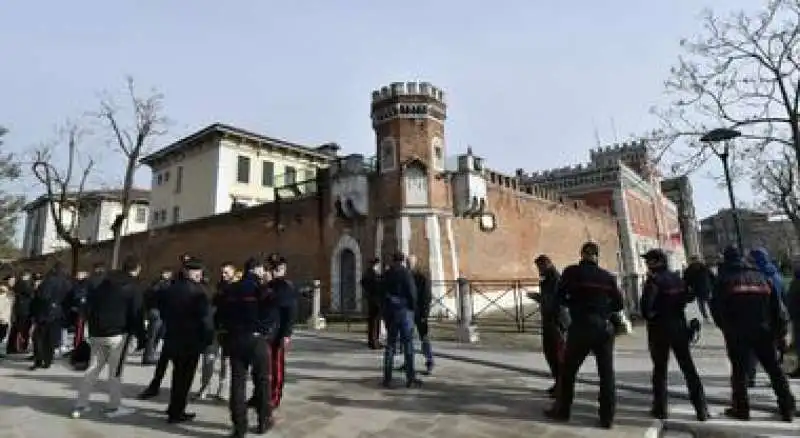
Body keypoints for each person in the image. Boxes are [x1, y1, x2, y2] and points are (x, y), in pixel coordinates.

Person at [545, 242, 623, 429]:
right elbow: (619, 304)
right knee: (606, 374)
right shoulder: (607, 276)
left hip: (581, 326)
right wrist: (603, 310)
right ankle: (607, 418)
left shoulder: (571, 272)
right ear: (597, 256)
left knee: (569, 371)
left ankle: (563, 411)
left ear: (582, 255)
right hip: (604, 328)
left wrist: (570, 308)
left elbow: (559, 298)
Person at [711, 246, 795, 422]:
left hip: (737, 333)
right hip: (763, 331)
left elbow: (716, 310)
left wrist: (727, 328)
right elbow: (778, 310)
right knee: (774, 370)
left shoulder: (724, 279)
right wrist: (779, 333)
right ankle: (787, 408)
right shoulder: (762, 278)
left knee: (740, 373)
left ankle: (742, 409)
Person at [71, 255, 144, 419]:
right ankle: (114, 406)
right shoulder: (133, 287)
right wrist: (141, 337)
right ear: (137, 269)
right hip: (118, 334)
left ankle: (81, 405)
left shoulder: (102, 283)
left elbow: (89, 305)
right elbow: (136, 314)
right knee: (115, 372)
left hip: (97, 332)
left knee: (92, 369)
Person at [639, 249, 709, 421]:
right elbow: (688, 298)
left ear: (656, 262)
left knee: (660, 370)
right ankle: (701, 409)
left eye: (649, 261)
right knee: (689, 369)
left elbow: (645, 309)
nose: (646, 264)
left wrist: (653, 314)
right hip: (679, 326)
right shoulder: (677, 279)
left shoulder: (654, 281)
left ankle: (660, 408)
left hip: (659, 330)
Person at [218, 256, 276, 437]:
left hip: (235, 339)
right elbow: (271, 311)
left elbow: (221, 314)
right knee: (262, 380)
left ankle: (239, 427)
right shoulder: (260, 288)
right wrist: (263, 330)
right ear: (257, 270)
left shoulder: (231, 289)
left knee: (237, 384)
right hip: (256, 339)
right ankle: (263, 420)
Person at [160, 258, 213, 424]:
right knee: (185, 377)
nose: (199, 275)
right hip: (191, 340)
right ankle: (177, 411)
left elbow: (163, 311)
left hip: (174, 338)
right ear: (188, 272)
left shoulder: (171, 288)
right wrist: (208, 338)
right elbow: (205, 318)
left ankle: (173, 408)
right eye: (197, 272)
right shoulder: (198, 292)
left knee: (177, 375)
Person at [196, 261, 236, 400]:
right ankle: (204, 387)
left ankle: (223, 390)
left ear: (233, 273)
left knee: (226, 361)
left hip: (230, 330)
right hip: (215, 328)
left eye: (226, 272)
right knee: (209, 359)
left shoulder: (236, 289)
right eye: (222, 272)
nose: (223, 275)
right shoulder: (216, 288)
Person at [381, 252, 421, 389]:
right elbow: (412, 293)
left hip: (391, 313)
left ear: (393, 260)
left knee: (390, 346)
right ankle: (410, 378)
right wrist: (414, 310)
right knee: (408, 345)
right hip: (404, 312)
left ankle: (387, 378)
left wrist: (385, 312)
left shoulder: (387, 274)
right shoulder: (406, 273)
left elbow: (381, 293)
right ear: (403, 260)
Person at [533, 254, 567, 398]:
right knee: (550, 354)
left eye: (540, 267)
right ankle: (557, 383)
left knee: (557, 354)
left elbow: (555, 301)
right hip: (549, 321)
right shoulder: (547, 278)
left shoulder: (555, 278)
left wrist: (538, 298)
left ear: (546, 264)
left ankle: (562, 386)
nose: (538, 270)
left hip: (556, 322)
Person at [30, 262, 72, 370]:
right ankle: (48, 360)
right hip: (58, 314)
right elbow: (69, 299)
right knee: (51, 339)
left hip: (44, 313)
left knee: (39, 338)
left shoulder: (48, 281)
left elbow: (41, 297)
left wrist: (35, 311)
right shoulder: (67, 283)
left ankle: (38, 359)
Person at [268, 256, 296, 409]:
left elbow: (290, 313)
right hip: (266, 332)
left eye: (278, 269)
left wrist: (286, 334)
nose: (275, 271)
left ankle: (275, 396)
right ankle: (261, 394)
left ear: (284, 270)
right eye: (273, 268)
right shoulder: (267, 285)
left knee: (276, 366)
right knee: (264, 367)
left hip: (278, 332)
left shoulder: (286, 287)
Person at [405, 254, 434, 374]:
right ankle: (408, 363)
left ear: (415, 263)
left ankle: (429, 361)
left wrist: (425, 314)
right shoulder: (407, 276)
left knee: (424, 338)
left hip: (420, 312)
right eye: (407, 263)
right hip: (409, 312)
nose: (408, 265)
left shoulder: (422, 277)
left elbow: (427, 297)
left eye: (410, 263)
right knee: (407, 339)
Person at [142, 268, 172, 365]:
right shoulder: (162, 284)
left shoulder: (156, 283)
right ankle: (148, 356)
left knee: (156, 335)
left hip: (157, 311)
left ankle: (150, 355)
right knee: (153, 335)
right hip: (157, 311)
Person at [7, 271, 33, 355]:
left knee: (16, 329)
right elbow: (30, 293)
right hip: (24, 310)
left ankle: (13, 346)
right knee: (22, 329)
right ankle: (20, 346)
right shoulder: (24, 284)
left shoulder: (18, 284)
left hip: (19, 309)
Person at [683, 255, 715, 323]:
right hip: (703, 289)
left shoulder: (691, 269)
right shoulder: (703, 267)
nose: (695, 261)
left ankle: (707, 317)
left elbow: (685, 281)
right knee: (707, 304)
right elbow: (712, 277)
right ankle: (709, 317)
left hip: (701, 289)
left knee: (704, 305)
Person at [361, 258, 384, 349]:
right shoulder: (374, 274)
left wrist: (367, 292)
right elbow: (378, 286)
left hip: (371, 299)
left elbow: (362, 282)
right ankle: (374, 342)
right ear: (376, 265)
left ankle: (372, 340)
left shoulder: (367, 273)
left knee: (372, 321)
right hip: (376, 300)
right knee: (375, 321)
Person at [788, 262, 800, 378]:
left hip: (797, 320)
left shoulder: (795, 284)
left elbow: (790, 303)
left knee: (796, 345)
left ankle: (795, 370)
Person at [0, 281, 12, 352]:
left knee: (3, 335)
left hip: (5, 319)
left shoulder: (8, 298)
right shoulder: (2, 298)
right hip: (2, 319)